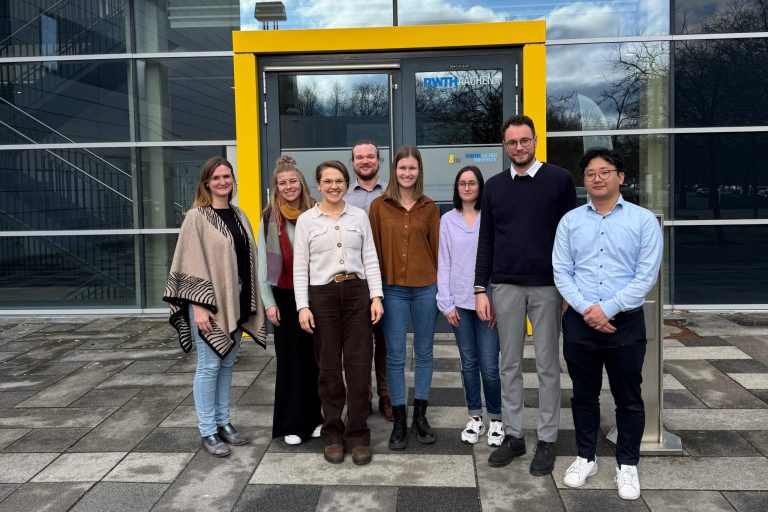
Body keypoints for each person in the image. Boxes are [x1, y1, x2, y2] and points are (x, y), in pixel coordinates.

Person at [553, 148, 662, 500]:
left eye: (604, 171)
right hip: (580, 322)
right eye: (590, 173)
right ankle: (586, 457)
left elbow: (645, 276)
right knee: (583, 395)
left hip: (625, 323)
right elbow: (562, 271)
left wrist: (608, 309)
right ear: (583, 180)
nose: (597, 178)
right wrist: (588, 310)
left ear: (620, 177)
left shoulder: (643, 221)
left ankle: (627, 463)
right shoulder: (570, 221)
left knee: (628, 397)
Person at [475, 115, 577, 475]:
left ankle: (547, 438)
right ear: (505, 147)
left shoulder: (559, 180)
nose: (518, 147)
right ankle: (515, 436)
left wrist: (569, 286)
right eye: (512, 142)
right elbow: (486, 240)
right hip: (505, 285)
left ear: (535, 141)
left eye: (524, 140)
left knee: (548, 364)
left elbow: (571, 237)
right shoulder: (494, 186)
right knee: (509, 364)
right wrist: (480, 288)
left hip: (548, 285)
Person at [164, 156, 266, 458]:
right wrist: (198, 305)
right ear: (206, 183)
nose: (223, 182)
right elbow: (188, 261)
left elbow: (248, 258)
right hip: (209, 303)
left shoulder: (239, 214)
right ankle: (208, 430)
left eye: (227, 176)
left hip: (236, 301)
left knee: (227, 364)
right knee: (209, 366)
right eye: (217, 177)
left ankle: (223, 423)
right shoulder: (196, 217)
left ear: (233, 180)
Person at [293, 160, 383, 465]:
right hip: (323, 296)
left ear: (347, 184)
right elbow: (300, 267)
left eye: (339, 181)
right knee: (329, 368)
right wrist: (303, 306)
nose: (334, 186)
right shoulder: (306, 221)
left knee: (359, 366)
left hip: (357, 294)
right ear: (318, 185)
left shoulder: (359, 216)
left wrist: (376, 297)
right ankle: (332, 433)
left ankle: (358, 434)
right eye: (328, 181)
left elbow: (370, 257)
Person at [369, 145, 440, 450]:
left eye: (412, 168)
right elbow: (372, 252)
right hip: (392, 289)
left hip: (426, 288)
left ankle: (420, 416)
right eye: (402, 168)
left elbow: (438, 251)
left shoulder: (430, 207)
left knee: (424, 353)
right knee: (395, 355)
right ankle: (399, 418)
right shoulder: (378, 206)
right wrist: (375, 292)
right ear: (394, 170)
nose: (407, 173)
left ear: (419, 171)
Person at [257, 155, 323, 446]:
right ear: (276, 187)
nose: (288, 187)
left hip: (315, 294)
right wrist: (269, 302)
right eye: (282, 183)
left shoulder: (316, 212)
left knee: (316, 360)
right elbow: (262, 264)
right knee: (290, 362)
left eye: (292, 181)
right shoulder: (269, 217)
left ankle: (316, 419)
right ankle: (292, 423)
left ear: (302, 183)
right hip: (284, 296)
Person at [437, 166, 503, 447]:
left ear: (480, 186)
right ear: (456, 187)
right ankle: (475, 417)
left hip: (487, 303)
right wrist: (446, 303)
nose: (467, 187)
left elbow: (499, 260)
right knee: (468, 364)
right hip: (459, 303)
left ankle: (497, 419)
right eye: (462, 183)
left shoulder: (491, 217)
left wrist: (497, 300)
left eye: (472, 183)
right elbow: (444, 262)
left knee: (489, 365)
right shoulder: (447, 220)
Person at [344, 139, 392, 421]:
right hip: (354, 281)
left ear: (379, 160)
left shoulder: (391, 193)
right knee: (358, 347)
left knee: (386, 343)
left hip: (387, 277)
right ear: (352, 162)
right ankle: (361, 398)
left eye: (370, 156)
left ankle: (387, 396)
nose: (365, 161)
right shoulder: (342, 195)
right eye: (359, 157)